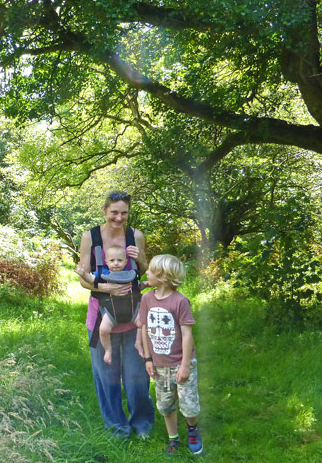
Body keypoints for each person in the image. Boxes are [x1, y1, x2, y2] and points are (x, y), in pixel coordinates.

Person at [77, 191, 155, 438]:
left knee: (137, 375)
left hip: (134, 317)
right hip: (102, 319)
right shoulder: (90, 237)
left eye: (124, 213)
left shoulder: (136, 236)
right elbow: (84, 279)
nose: (119, 218)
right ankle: (116, 427)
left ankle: (142, 424)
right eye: (114, 212)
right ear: (105, 210)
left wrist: (139, 257)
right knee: (107, 377)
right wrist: (105, 287)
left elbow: (148, 271)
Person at [139, 254, 203, 456]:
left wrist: (185, 365)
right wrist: (148, 359)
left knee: (189, 404)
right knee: (166, 405)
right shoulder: (146, 298)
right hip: (160, 365)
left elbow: (187, 334)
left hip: (181, 363)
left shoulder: (180, 301)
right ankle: (173, 438)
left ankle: (192, 429)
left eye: (150, 270)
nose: (146, 272)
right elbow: (144, 329)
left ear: (163, 276)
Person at [75, 245, 144, 365]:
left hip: (131, 310)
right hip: (112, 311)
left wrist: (146, 284)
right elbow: (91, 279)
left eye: (120, 260)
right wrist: (83, 274)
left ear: (126, 262)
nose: (116, 263)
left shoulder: (129, 273)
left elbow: (137, 285)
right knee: (103, 329)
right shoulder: (103, 273)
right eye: (112, 260)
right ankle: (108, 350)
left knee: (142, 323)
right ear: (106, 262)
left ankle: (138, 342)